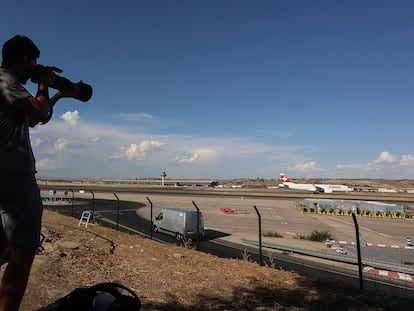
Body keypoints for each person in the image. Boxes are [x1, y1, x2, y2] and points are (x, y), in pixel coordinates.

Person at [0, 35, 80, 311]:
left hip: (6, 180)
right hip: (13, 179)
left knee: (3, 246)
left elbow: (36, 117)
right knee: (22, 254)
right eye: (33, 64)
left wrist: (56, 94)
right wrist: (44, 83)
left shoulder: (8, 88)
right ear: (26, 60)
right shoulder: (5, 79)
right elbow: (38, 109)